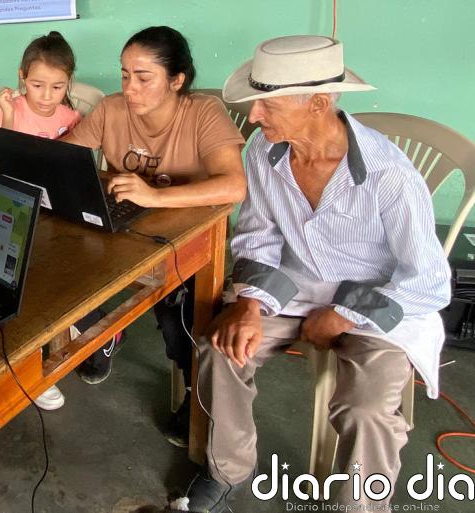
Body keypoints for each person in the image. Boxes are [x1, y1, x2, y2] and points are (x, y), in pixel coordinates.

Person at [172, 35, 451, 512]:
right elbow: (258, 236)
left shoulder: (389, 176)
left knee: (366, 411)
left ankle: (360, 506)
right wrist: (249, 304)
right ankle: (229, 470)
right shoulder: (265, 151)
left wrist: (343, 316)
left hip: (378, 302)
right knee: (222, 351)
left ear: (319, 103)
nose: (254, 116)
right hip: (294, 286)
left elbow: (429, 281)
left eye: (266, 105)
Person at [61, 26, 246, 445]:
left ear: (176, 80)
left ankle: (195, 397)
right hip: (123, 229)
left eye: (144, 77)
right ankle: (103, 332)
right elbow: (64, 156)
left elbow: (234, 186)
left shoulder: (203, 113)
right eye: (125, 74)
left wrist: (155, 196)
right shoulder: (110, 110)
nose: (130, 87)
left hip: (186, 238)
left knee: (180, 318)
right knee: (58, 268)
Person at [0, 31, 83, 410]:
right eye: (37, 85)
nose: (45, 96)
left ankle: (63, 329)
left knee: (61, 276)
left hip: (54, 212)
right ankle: (32, 371)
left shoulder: (72, 116)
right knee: (23, 286)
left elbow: (75, 172)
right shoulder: (9, 110)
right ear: (22, 76)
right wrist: (8, 115)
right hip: (13, 209)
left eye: (57, 87)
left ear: (68, 83)